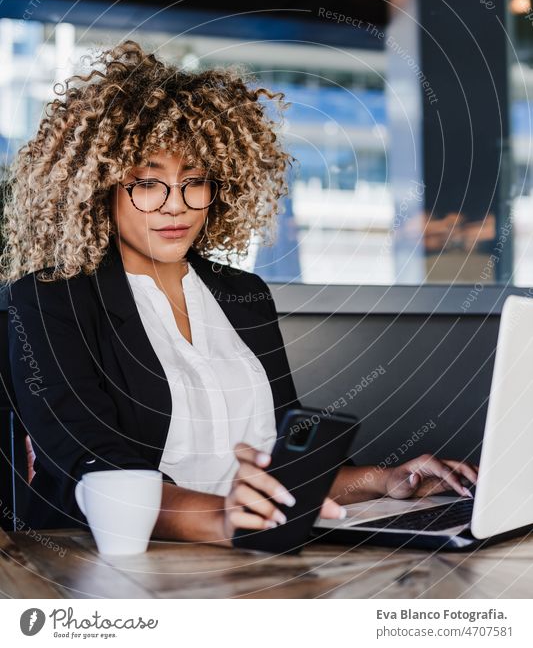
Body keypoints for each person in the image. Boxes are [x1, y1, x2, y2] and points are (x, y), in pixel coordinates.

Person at [1, 41, 477, 545]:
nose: (176, 206)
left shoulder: (242, 295)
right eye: (147, 183)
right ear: (100, 188)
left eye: (194, 181)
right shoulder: (51, 299)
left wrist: (382, 481)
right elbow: (87, 465)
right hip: (107, 562)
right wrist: (220, 517)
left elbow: (279, 469)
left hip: (249, 551)